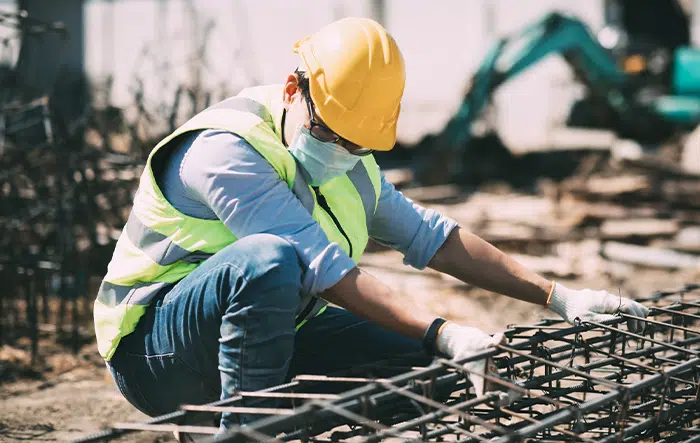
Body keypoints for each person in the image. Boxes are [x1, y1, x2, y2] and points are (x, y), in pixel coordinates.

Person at [93, 17, 650, 435]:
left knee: (430, 370)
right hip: (157, 354)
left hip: (269, 338)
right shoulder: (225, 149)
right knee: (268, 259)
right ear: (294, 90)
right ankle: (245, 435)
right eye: (331, 133)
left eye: (357, 143)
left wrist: (557, 296)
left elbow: (432, 237)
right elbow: (322, 267)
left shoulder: (353, 165)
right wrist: (444, 329)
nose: (342, 152)